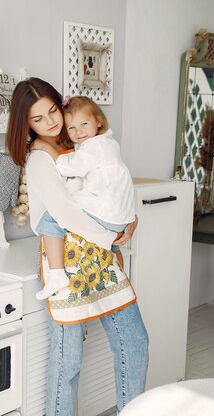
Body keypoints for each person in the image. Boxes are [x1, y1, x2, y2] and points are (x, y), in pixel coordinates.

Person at [5, 77, 148, 416]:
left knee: (135, 342)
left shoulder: (81, 143)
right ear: (25, 125)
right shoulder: (40, 159)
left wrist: (131, 217)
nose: (50, 122)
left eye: (53, 111)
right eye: (38, 119)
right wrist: (110, 238)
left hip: (99, 258)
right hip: (66, 267)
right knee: (68, 361)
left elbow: (111, 185)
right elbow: (64, 213)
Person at [31, 95, 135, 300]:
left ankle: (57, 275)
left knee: (50, 218)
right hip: (119, 215)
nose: (78, 132)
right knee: (113, 251)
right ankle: (120, 281)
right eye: (71, 128)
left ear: (99, 121)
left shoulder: (94, 147)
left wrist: (46, 148)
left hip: (106, 211)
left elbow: (70, 166)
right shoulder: (109, 144)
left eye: (84, 124)